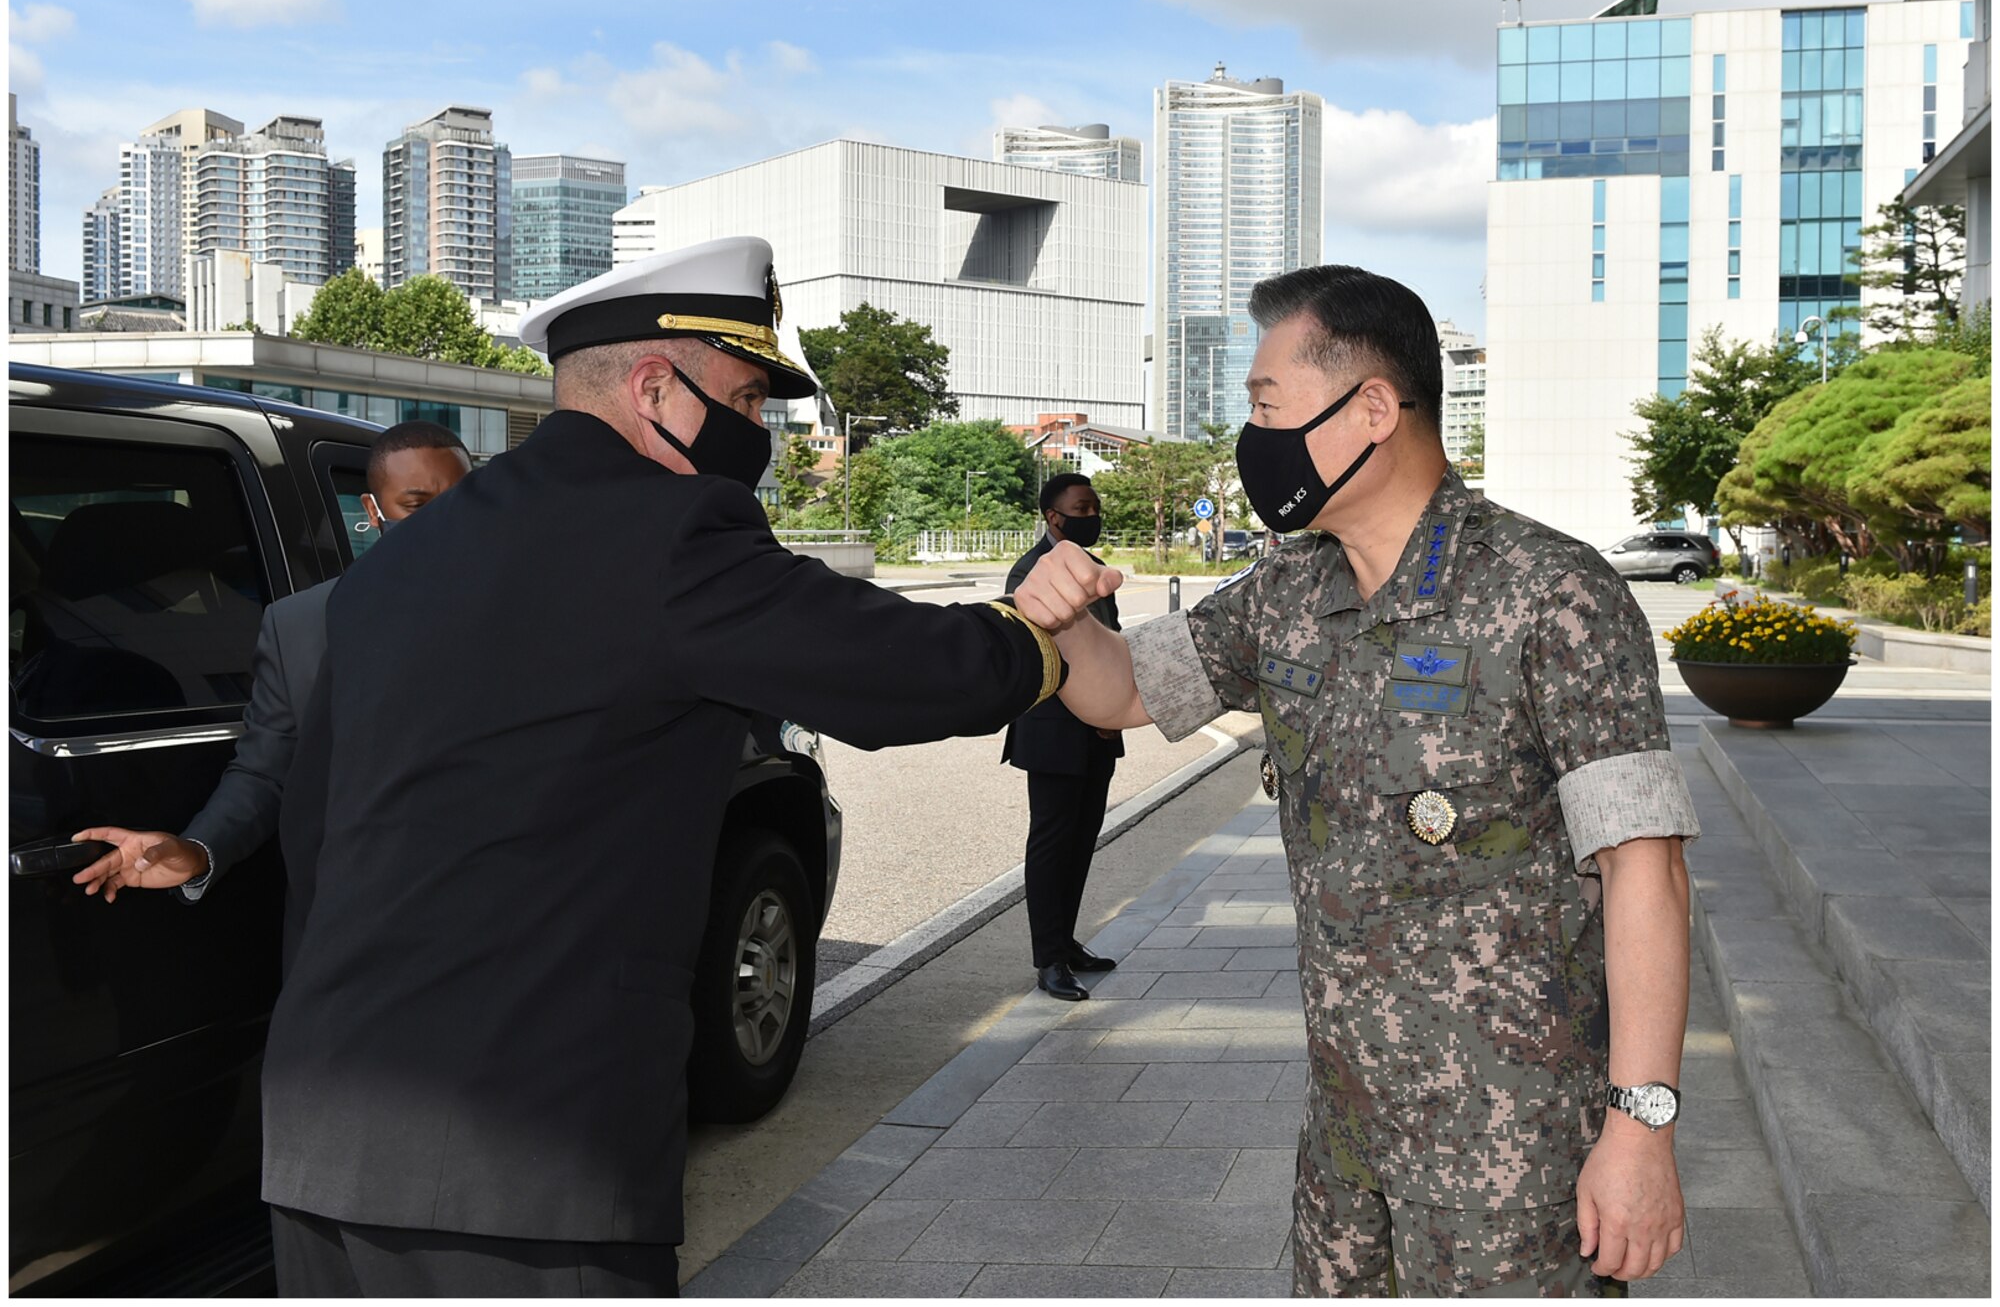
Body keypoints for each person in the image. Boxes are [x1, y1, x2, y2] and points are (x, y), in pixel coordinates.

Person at [257, 236, 1069, 1297]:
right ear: (654, 387)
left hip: (325, 1141)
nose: (757, 434)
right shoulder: (671, 526)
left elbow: (309, 837)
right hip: (526, 1158)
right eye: (740, 399)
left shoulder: (399, 560)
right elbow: (904, 672)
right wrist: (1041, 632)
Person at [1015, 264, 1701, 1296]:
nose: (1252, 437)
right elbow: (1118, 694)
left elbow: (1646, 874)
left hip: (1511, 1165)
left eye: (1265, 406)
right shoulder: (1287, 590)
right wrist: (1062, 618)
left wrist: (1640, 1130)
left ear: (1370, 407)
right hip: (1344, 1148)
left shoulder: (1551, 594)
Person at [68, 421, 473, 914]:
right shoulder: (299, 625)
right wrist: (198, 850)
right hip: (351, 919)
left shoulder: (539, 614)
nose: (448, 519)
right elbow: (268, 771)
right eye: (415, 505)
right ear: (373, 511)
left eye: (465, 496)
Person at [1002, 472, 1123, 1001]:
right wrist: (1093, 710)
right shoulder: (1031, 572)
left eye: (1094, 505)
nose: (1091, 514)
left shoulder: (1095, 568)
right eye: (1081, 506)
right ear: (1054, 517)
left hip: (1098, 732)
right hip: (1054, 731)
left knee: (1081, 841)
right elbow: (1041, 660)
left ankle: (1066, 941)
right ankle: (1048, 960)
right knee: (1052, 845)